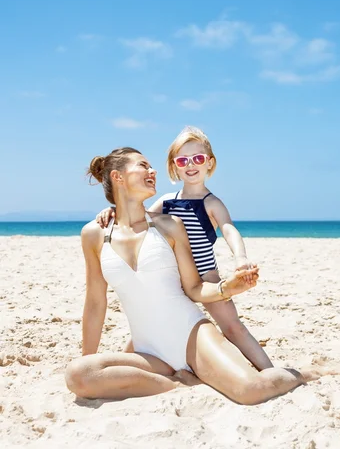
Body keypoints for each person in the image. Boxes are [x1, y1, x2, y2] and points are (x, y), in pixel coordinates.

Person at [66, 147, 333, 405]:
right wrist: (89, 360)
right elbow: (95, 303)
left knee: (251, 390)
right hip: (148, 351)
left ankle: (304, 374)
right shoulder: (94, 234)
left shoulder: (169, 225)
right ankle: (181, 383)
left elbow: (193, 288)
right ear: (118, 177)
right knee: (78, 375)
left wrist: (227, 288)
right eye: (143, 165)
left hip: (192, 337)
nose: (153, 170)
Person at [97, 127, 272, 370]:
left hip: (205, 277)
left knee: (233, 327)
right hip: (174, 279)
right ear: (174, 166)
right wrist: (113, 211)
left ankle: (269, 370)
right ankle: (127, 367)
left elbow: (229, 229)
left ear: (209, 163)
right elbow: (136, 216)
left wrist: (240, 258)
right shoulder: (167, 202)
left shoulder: (211, 202)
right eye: (182, 160)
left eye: (198, 158)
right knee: (146, 327)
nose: (191, 164)